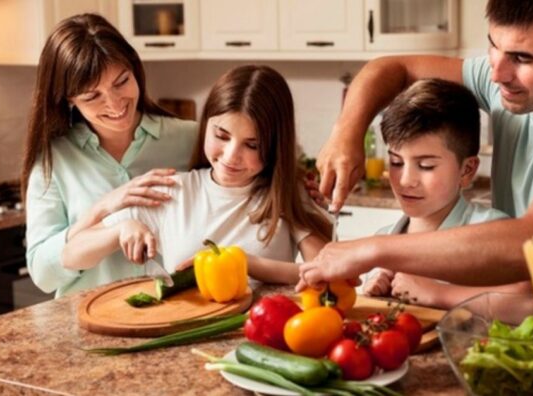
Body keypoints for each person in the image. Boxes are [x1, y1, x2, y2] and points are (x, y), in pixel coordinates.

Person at [299, 0, 533, 330]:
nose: (497, 75)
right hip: (523, 339)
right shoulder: (512, 86)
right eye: (494, 46)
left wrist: (371, 249)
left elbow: (532, 244)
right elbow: (392, 67)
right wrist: (346, 132)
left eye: (522, 58)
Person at [63, 65, 332, 286]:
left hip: (263, 337)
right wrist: (121, 229)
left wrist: (246, 263)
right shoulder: (172, 190)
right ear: (205, 126)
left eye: (252, 145)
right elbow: (71, 255)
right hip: (186, 341)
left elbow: (328, 273)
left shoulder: (287, 193)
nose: (230, 156)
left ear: (275, 146)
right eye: (221, 136)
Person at [23, 14, 198, 297]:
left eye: (122, 81)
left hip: (179, 316)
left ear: (135, 69)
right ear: (69, 100)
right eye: (92, 96)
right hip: (88, 325)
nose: (115, 103)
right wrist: (104, 210)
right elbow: (43, 273)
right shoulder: (55, 160)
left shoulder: (190, 139)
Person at [361, 79, 533, 309]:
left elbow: (529, 301)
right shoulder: (382, 240)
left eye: (426, 166)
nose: (405, 180)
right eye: (396, 162)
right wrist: (374, 291)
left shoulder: (490, 230)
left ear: (467, 170)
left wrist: (438, 292)